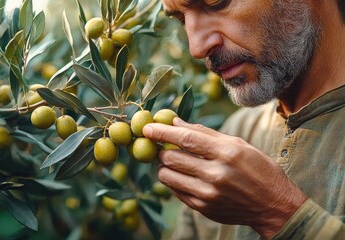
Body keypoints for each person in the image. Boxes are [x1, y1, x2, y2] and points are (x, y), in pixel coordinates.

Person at [142, 0, 345, 239]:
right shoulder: (234, 134)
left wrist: (278, 213)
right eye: (180, 19)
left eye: (216, 3)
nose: (196, 48)